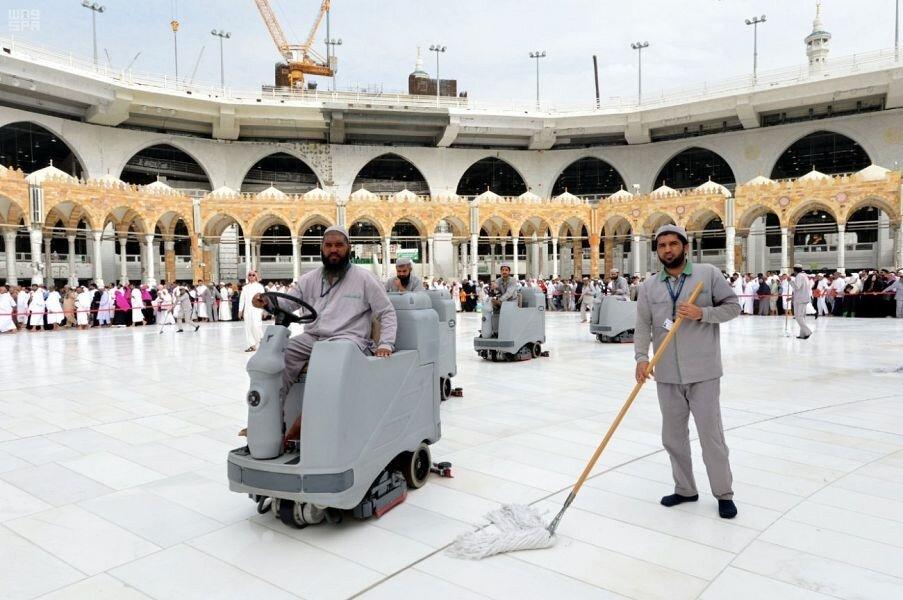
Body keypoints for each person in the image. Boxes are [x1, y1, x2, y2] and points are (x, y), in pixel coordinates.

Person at [251, 226, 397, 445]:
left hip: (349, 339)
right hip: (314, 338)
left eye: (339, 245)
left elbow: (386, 312)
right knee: (277, 354)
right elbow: (287, 303)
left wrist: (385, 343)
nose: (333, 250)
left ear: (349, 248)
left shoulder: (365, 279)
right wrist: (268, 302)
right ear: (321, 249)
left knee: (328, 357)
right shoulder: (309, 279)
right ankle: (270, 417)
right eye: (328, 245)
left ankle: (306, 422)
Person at [634, 225, 740, 520]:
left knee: (711, 437)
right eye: (662, 246)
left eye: (672, 244)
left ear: (684, 246)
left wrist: (702, 313)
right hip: (666, 372)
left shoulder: (707, 275)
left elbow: (733, 307)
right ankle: (685, 489)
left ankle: (723, 494)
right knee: (672, 436)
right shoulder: (650, 285)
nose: (667, 249)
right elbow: (643, 325)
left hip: (703, 371)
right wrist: (641, 358)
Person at [485, 264, 521, 337]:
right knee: (493, 308)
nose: (504, 272)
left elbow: (509, 293)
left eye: (506, 270)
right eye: (503, 270)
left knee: (505, 309)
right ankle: (495, 331)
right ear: (501, 271)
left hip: (512, 302)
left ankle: (508, 332)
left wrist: (500, 300)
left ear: (509, 272)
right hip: (503, 302)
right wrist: (493, 289)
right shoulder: (498, 280)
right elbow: (495, 290)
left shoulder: (513, 280)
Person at [239, 271, 265, 352]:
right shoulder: (245, 288)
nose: (251, 276)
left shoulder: (259, 287)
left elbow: (263, 299)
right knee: (248, 327)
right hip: (247, 310)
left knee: (257, 326)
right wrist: (240, 310)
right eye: (249, 275)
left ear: (256, 277)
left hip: (257, 310)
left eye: (253, 275)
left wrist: (264, 310)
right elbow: (242, 299)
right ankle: (252, 345)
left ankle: (262, 343)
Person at [790, 264, 812, 339]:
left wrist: (790, 281)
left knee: (798, 317)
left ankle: (807, 332)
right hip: (803, 298)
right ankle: (803, 334)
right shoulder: (804, 276)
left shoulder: (799, 276)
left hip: (800, 299)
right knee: (801, 317)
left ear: (794, 270)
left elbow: (797, 287)